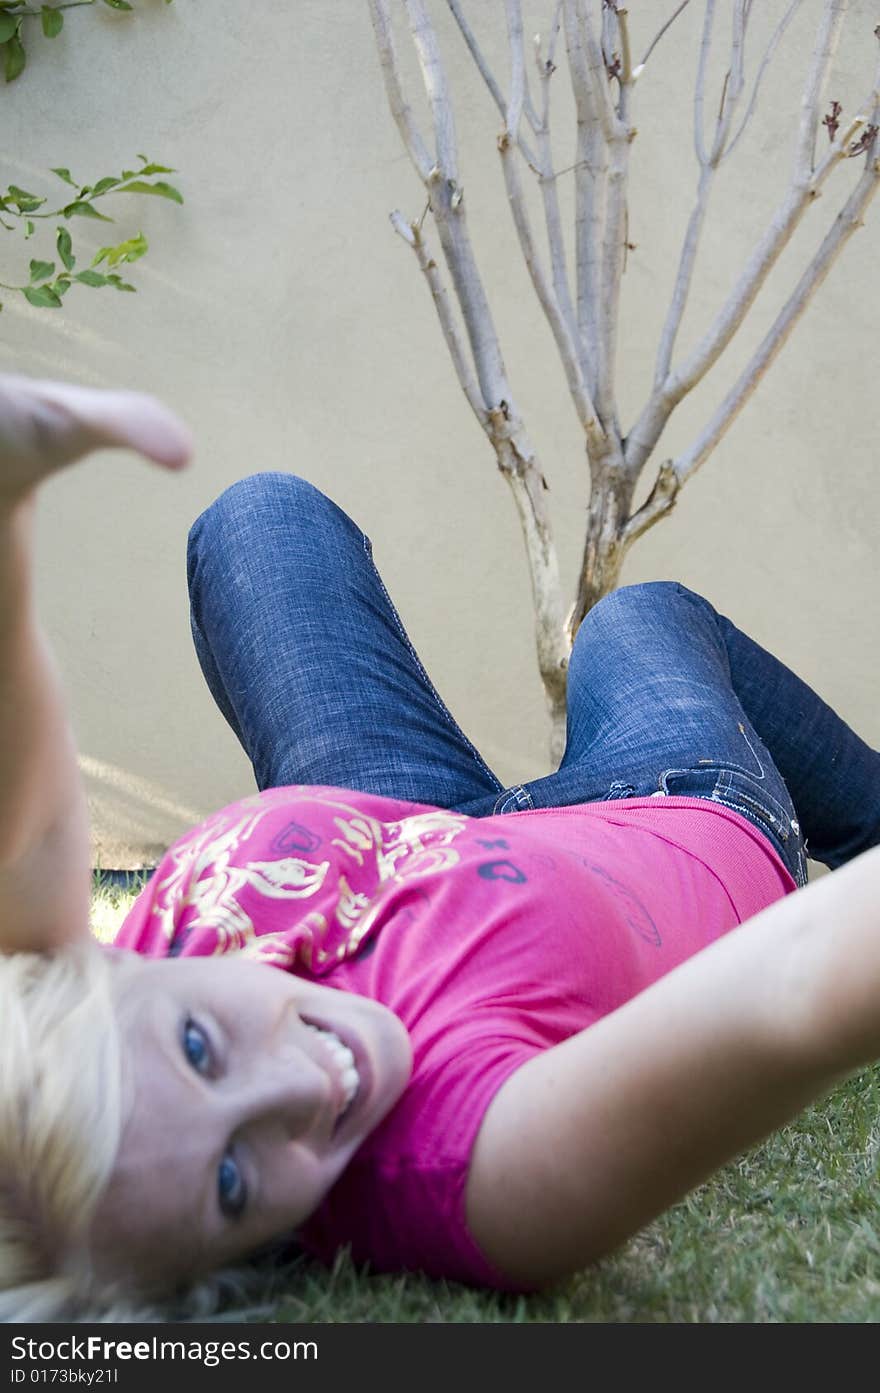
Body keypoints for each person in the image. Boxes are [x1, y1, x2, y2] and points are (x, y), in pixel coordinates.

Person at [1, 371, 879, 1323]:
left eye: (200, 1047)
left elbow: (32, 817)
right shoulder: (472, 1165)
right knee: (636, 619)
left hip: (427, 832)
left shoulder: (77, 1035)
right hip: (668, 816)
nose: (304, 1088)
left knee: (258, 521)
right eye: (231, 1181)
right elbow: (793, 990)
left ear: (104, 977)